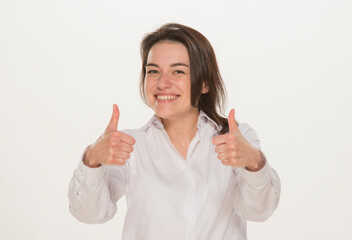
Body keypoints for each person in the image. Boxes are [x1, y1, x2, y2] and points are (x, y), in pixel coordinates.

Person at [68, 23, 281, 240]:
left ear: (204, 83)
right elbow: (90, 214)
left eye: (177, 71)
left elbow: (259, 211)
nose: (162, 83)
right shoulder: (128, 145)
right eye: (153, 71)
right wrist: (92, 159)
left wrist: (255, 163)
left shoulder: (236, 139)